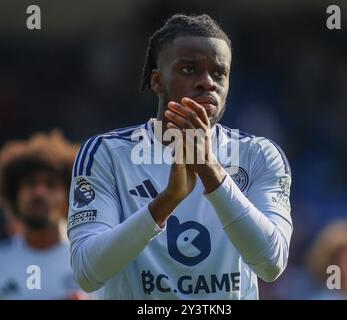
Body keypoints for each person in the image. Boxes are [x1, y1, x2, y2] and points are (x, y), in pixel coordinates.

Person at [68, 13, 292, 299]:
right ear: (158, 81)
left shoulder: (258, 154)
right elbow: (88, 273)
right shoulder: (106, 153)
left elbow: (271, 264)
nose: (207, 82)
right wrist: (167, 201)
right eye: (189, 70)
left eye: (219, 73)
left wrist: (210, 171)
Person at [0, 131, 88, 299]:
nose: (39, 192)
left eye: (50, 185)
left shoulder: (93, 259)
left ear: (70, 196)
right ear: (14, 196)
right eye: (30, 184)